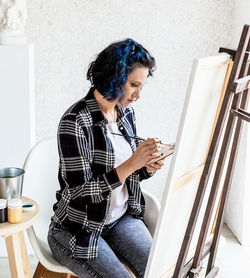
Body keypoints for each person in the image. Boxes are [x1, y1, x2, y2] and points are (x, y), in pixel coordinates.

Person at [48, 38, 166, 278]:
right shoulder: (74, 122)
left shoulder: (125, 114)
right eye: (134, 84)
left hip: (120, 220)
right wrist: (133, 162)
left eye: (141, 86)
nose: (138, 95)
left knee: (161, 271)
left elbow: (127, 174)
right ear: (114, 76)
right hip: (78, 229)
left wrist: (147, 167)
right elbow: (80, 191)